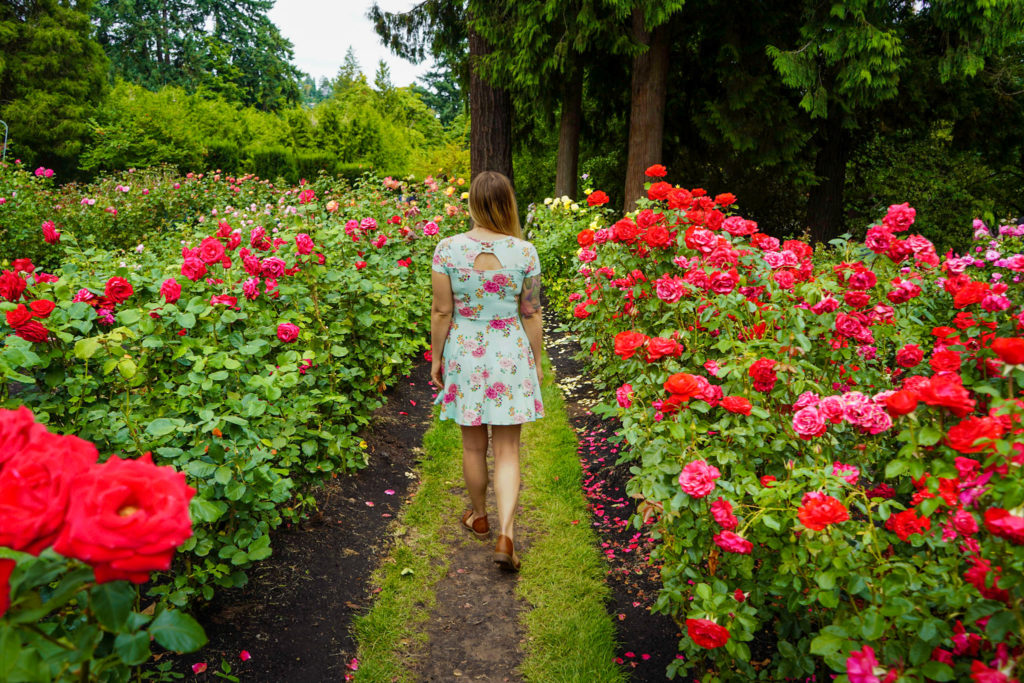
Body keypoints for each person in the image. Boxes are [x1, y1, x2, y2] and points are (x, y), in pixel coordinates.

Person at [429, 171, 544, 572]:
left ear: (473, 204)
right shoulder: (525, 252)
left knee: (473, 446)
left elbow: (443, 310)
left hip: (466, 352)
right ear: (507, 202)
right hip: (509, 351)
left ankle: (480, 517)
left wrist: (436, 358)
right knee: (508, 450)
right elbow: (530, 313)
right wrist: (537, 361)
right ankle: (507, 534)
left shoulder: (448, 249)